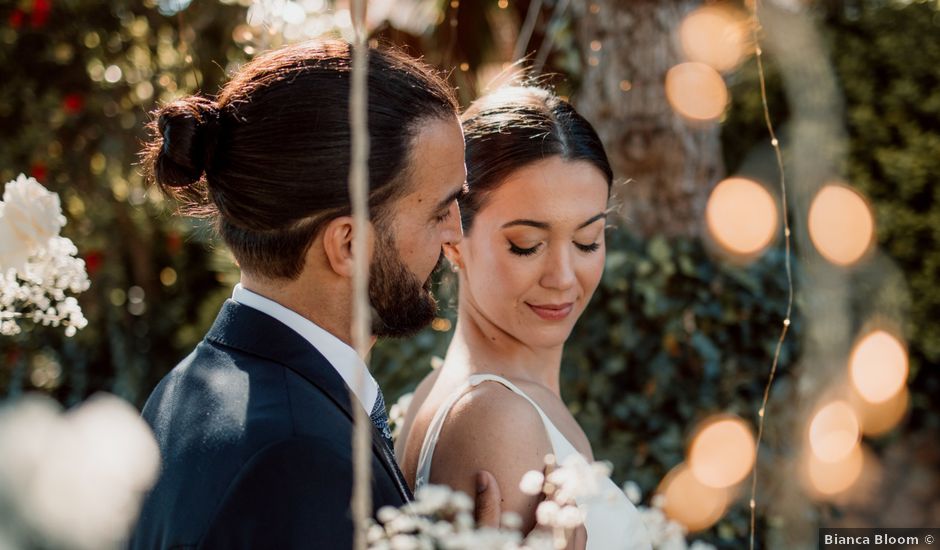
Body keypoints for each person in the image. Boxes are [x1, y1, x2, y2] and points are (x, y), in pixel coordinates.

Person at [129, 39, 501, 550]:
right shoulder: (300, 459)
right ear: (348, 245)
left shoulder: (186, 389)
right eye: (440, 210)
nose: (455, 234)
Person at [395, 86, 653, 550]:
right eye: (526, 245)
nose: (563, 277)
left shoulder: (444, 389)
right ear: (452, 238)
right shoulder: (498, 419)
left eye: (588, 240)